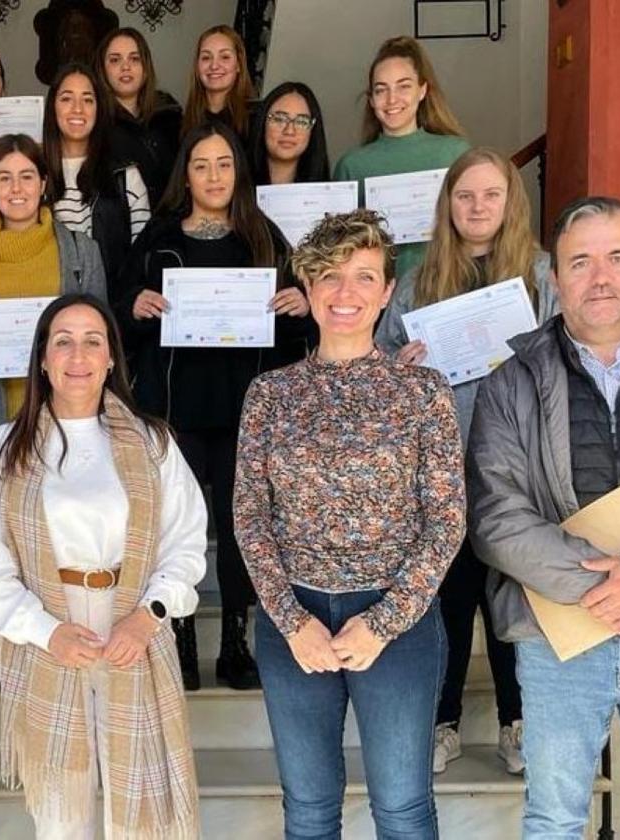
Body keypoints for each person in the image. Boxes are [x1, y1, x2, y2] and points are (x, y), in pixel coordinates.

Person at [468, 196, 620, 837]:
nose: (599, 277)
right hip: (559, 636)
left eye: (617, 258)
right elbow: (495, 514)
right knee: (554, 820)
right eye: (580, 261)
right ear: (554, 278)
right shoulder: (510, 383)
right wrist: (609, 587)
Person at [235, 209, 465, 839]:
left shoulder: (421, 391)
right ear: (308, 289)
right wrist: (290, 619)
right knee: (308, 809)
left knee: (402, 807)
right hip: (296, 620)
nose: (346, 294)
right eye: (331, 277)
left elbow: (445, 520)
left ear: (387, 291)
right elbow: (251, 517)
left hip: (397, 621)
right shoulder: (270, 395)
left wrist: (383, 622)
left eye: (365, 277)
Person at [0, 293, 205, 839]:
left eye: (92, 342)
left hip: (134, 627)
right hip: (49, 633)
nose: (78, 355)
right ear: (44, 361)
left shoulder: (152, 441)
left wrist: (149, 615)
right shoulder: (4, 448)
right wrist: (46, 632)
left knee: (141, 808)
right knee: (62, 814)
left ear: (109, 359)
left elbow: (187, 543)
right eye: (64, 342)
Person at [377, 146, 559, 776]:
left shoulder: (539, 274)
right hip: (442, 465)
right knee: (447, 598)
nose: (477, 207)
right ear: (447, 205)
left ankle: (517, 723)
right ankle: (442, 722)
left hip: (520, 467)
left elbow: (565, 361)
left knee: (512, 595)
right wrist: (399, 372)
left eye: (490, 195)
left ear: (511, 202)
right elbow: (380, 363)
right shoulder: (420, 276)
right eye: (464, 196)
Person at [121, 121, 315, 691]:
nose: (213, 175)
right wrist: (136, 303)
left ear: (238, 172)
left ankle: (236, 642)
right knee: (178, 526)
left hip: (244, 412)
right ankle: (180, 641)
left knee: (240, 529)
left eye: (224, 164)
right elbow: (120, 311)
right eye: (201, 164)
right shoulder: (158, 239)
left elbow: (299, 329)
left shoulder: (264, 237)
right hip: (174, 409)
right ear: (186, 172)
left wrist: (298, 304)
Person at [0, 133, 107, 442]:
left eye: (27, 176)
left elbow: (103, 340)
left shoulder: (82, 252)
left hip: (68, 421)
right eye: (4, 178)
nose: (16, 189)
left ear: (43, 184)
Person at [333, 36, 469, 279]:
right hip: (377, 300)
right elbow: (339, 250)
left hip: (447, 291)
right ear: (372, 99)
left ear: (423, 90)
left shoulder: (455, 153)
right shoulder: (353, 165)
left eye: (403, 86)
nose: (392, 99)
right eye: (381, 89)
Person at [43, 62, 150, 306]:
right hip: (46, 310)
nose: (77, 109)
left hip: (111, 309)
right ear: (52, 108)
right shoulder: (34, 173)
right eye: (67, 99)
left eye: (88, 100)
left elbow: (141, 254)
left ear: (99, 109)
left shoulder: (125, 175)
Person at [95, 26, 182, 206]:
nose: (125, 67)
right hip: (119, 227)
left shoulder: (169, 113)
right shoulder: (94, 121)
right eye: (115, 60)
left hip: (170, 223)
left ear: (146, 68)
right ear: (103, 70)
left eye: (134, 59)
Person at [180, 25, 255, 144]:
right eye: (206, 58)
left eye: (225, 57)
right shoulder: (182, 123)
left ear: (239, 65)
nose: (214, 66)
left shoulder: (255, 121)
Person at [250, 81, 331, 186]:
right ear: (262, 122)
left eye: (301, 121)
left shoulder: (327, 194)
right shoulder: (232, 183)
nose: (289, 131)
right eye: (279, 119)